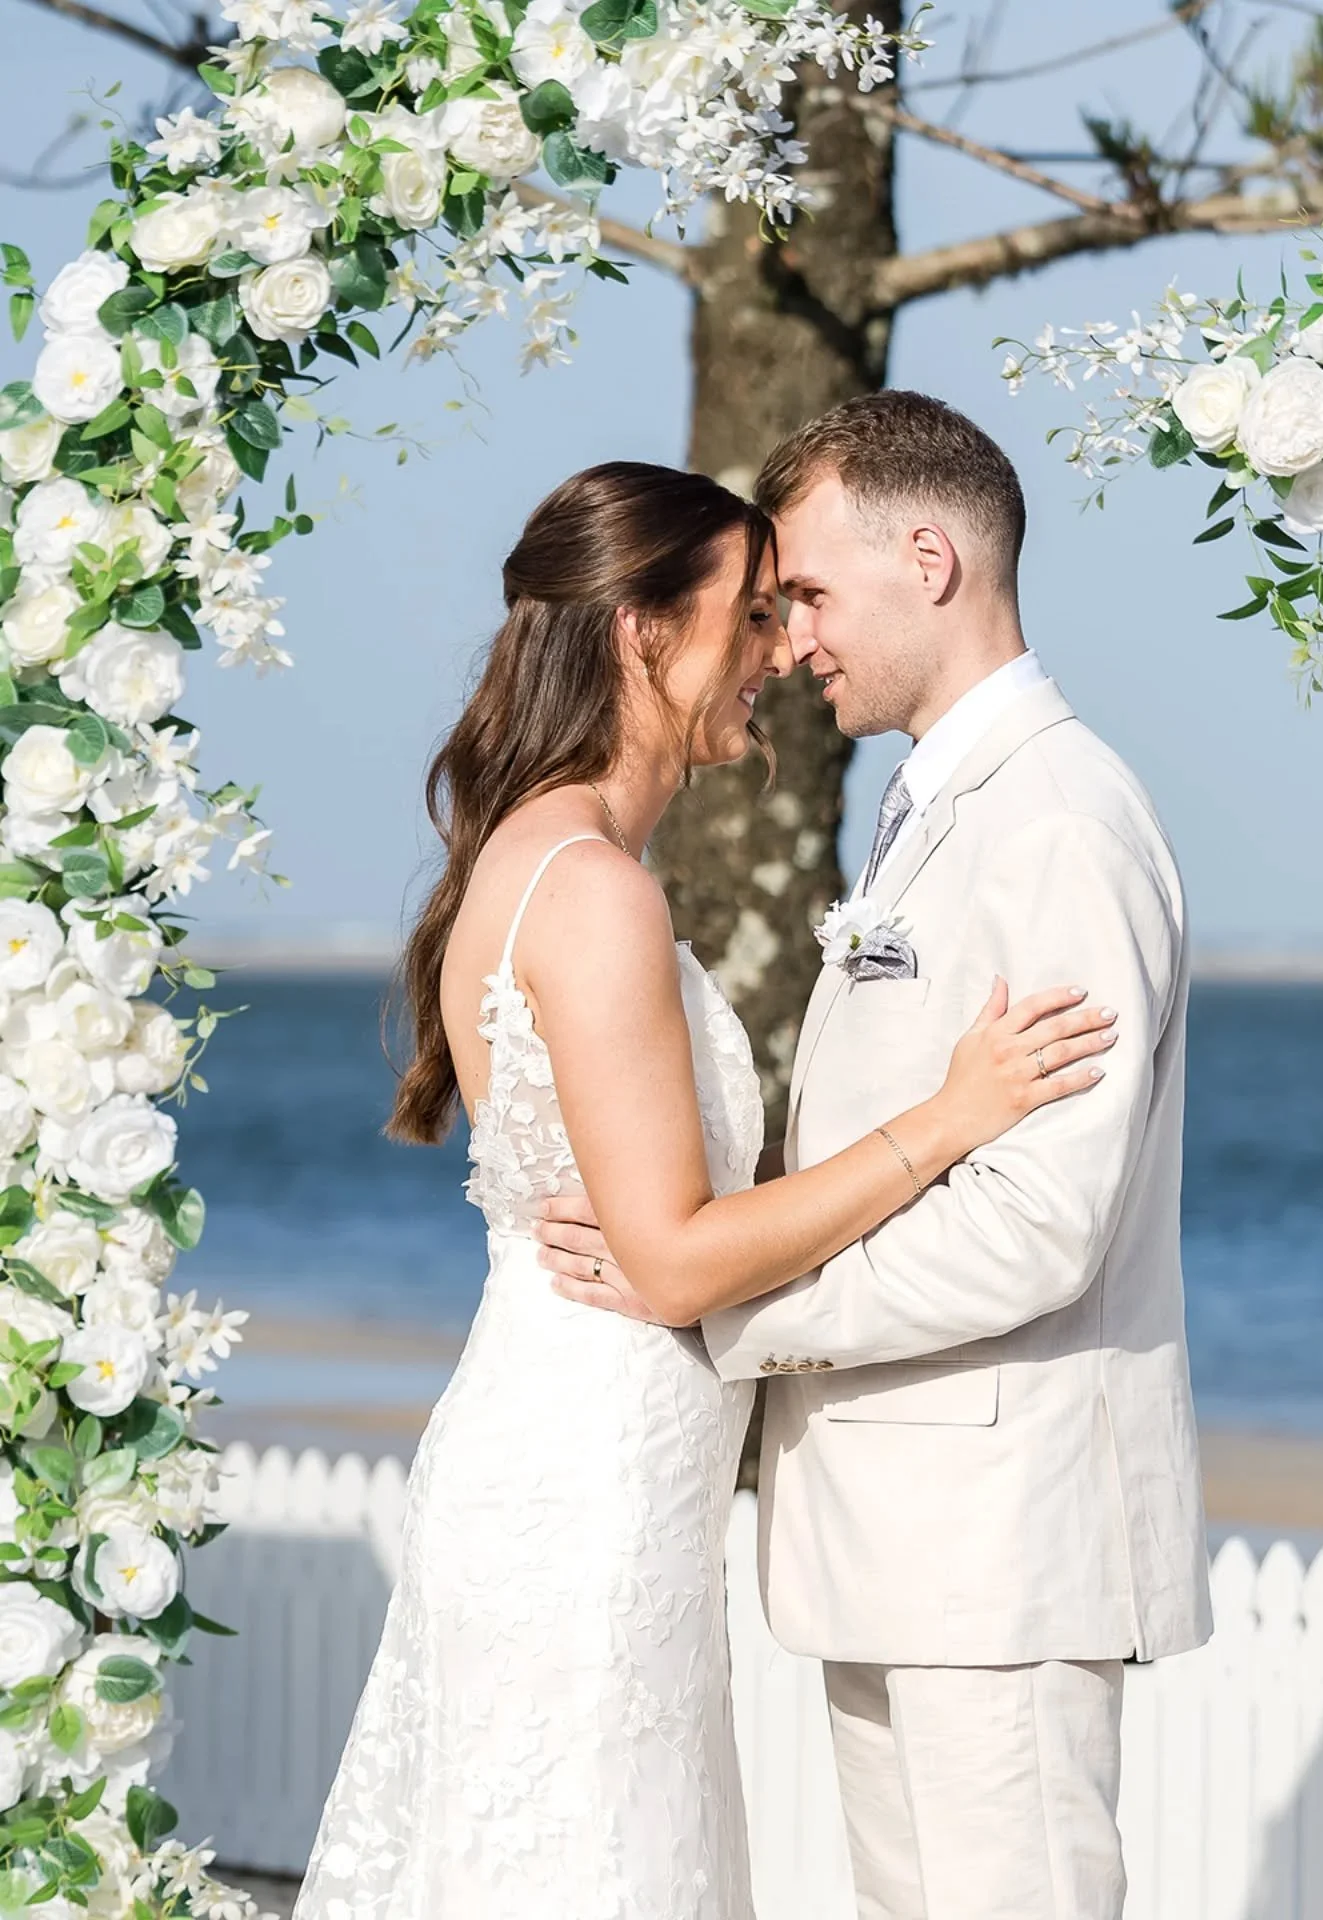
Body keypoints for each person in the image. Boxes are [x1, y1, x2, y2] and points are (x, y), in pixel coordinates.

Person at [291, 459, 1117, 1920]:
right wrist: (948, 1116)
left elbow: (663, 1218)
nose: (778, 654)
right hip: (588, 1484)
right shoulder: (596, 889)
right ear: (639, 633)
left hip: (590, 1459)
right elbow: (672, 1264)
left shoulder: (547, 857)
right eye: (748, 615)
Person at [538, 397, 1213, 1920]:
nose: (789, 644)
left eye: (814, 597)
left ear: (932, 557)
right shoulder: (929, 813)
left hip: (1002, 1550)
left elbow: (1039, 1226)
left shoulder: (1059, 821)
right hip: (902, 1545)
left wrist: (714, 1303)